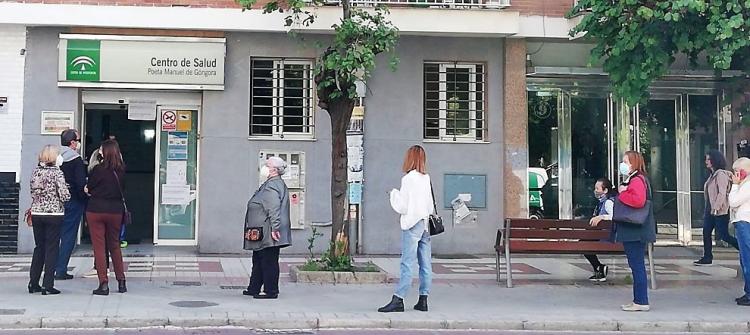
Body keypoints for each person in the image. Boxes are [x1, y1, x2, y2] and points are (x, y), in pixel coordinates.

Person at [379, 145, 434, 313]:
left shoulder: (408, 179)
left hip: (412, 223)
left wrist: (393, 194)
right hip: (425, 223)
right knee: (425, 263)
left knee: (407, 262)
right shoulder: (426, 178)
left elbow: (403, 206)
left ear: (409, 158)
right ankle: (423, 300)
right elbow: (430, 204)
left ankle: (399, 299)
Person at [243, 156, 292, 300]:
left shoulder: (272, 185)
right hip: (263, 229)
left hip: (268, 229)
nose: (264, 167)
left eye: (267, 165)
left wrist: (275, 229)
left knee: (268, 260)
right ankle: (254, 288)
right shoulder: (271, 183)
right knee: (258, 258)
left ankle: (271, 291)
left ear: (274, 170)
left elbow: (273, 208)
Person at [614, 151, 656, 312]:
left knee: (637, 265)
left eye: (626, 161)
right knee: (636, 264)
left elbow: (638, 201)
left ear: (634, 163)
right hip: (636, 229)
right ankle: (638, 299)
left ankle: (641, 300)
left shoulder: (637, 180)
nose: (623, 165)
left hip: (635, 230)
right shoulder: (638, 179)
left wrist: (623, 193)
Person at [85, 139, 127, 295]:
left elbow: (89, 188)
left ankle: (103, 284)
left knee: (99, 248)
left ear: (106, 152)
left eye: (101, 149)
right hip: (115, 211)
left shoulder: (97, 170)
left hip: (96, 210)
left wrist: (87, 188)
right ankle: (121, 281)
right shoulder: (122, 170)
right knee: (115, 245)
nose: (100, 152)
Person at [28, 145, 70, 295]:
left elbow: (32, 191)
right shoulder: (57, 173)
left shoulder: (36, 172)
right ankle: (48, 284)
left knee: (39, 247)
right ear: (54, 157)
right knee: (52, 248)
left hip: (37, 213)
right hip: (54, 214)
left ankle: (33, 282)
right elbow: (65, 196)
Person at [695, 150, 737, 266]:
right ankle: (707, 257)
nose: (706, 162)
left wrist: (716, 207)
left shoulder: (721, 175)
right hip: (710, 210)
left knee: (724, 235)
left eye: (708, 159)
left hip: (720, 210)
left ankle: (744, 248)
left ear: (714, 160)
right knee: (706, 232)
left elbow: (722, 193)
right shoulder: (712, 176)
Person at [55, 129, 87, 280]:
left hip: (55, 202)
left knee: (54, 236)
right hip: (73, 202)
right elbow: (81, 184)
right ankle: (60, 269)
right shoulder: (76, 160)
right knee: (68, 236)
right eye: (78, 140)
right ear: (73, 143)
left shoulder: (54, 158)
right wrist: (85, 199)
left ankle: (51, 268)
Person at [585, 177, 617, 282]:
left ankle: (599, 268)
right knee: (584, 243)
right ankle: (599, 268)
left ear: (605, 190)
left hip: (607, 238)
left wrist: (602, 217)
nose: (595, 191)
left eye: (597, 188)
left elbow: (614, 217)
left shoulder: (608, 203)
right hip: (602, 236)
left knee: (584, 245)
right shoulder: (601, 202)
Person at [729, 157, 750, 306]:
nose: (734, 175)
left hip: (744, 223)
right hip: (742, 222)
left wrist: (735, 186)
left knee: (747, 259)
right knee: (744, 259)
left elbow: (733, 202)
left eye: (736, 171)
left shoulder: (746, 185)